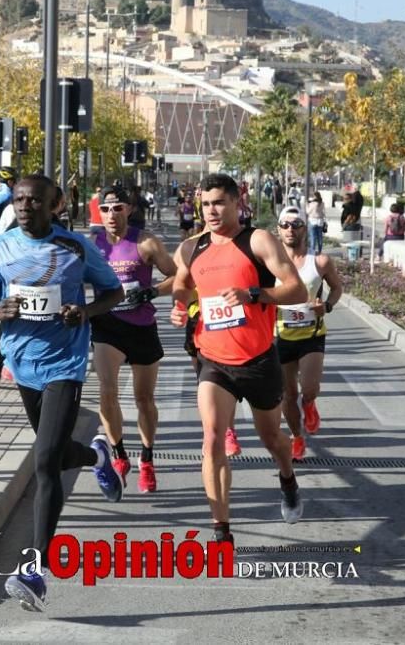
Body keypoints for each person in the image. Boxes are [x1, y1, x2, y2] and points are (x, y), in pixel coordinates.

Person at [0, 174, 124, 610]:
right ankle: (96, 454)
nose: (23, 207)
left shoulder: (74, 247)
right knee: (54, 453)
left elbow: (112, 291)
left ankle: (35, 570)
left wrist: (86, 310)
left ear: (54, 205)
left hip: (65, 363)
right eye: (19, 200)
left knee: (43, 461)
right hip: (21, 363)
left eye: (33, 201)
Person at [170, 173, 307, 545]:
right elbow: (181, 283)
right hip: (213, 359)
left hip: (259, 360)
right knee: (212, 438)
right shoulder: (192, 247)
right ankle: (221, 530)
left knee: (272, 439)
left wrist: (253, 294)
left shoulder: (257, 240)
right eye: (205, 204)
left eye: (219, 203)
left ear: (236, 202)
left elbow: (297, 289)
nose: (212, 211)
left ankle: (287, 476)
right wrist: (181, 305)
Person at [92, 186, 177, 493]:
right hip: (107, 326)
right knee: (107, 391)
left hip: (141, 326)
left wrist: (152, 291)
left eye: (117, 208)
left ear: (128, 209)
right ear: (98, 212)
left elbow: (176, 276)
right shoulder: (94, 245)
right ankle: (119, 454)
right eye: (105, 209)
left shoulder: (146, 242)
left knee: (144, 399)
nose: (111, 215)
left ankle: (147, 458)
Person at [274, 206, 342, 461]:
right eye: (285, 225)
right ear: (278, 229)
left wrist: (327, 306)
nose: (290, 230)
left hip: (311, 335)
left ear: (305, 228)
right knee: (287, 394)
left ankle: (310, 403)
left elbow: (336, 289)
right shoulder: (270, 263)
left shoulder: (320, 261)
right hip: (280, 336)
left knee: (309, 388)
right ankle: (296, 436)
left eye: (296, 225)